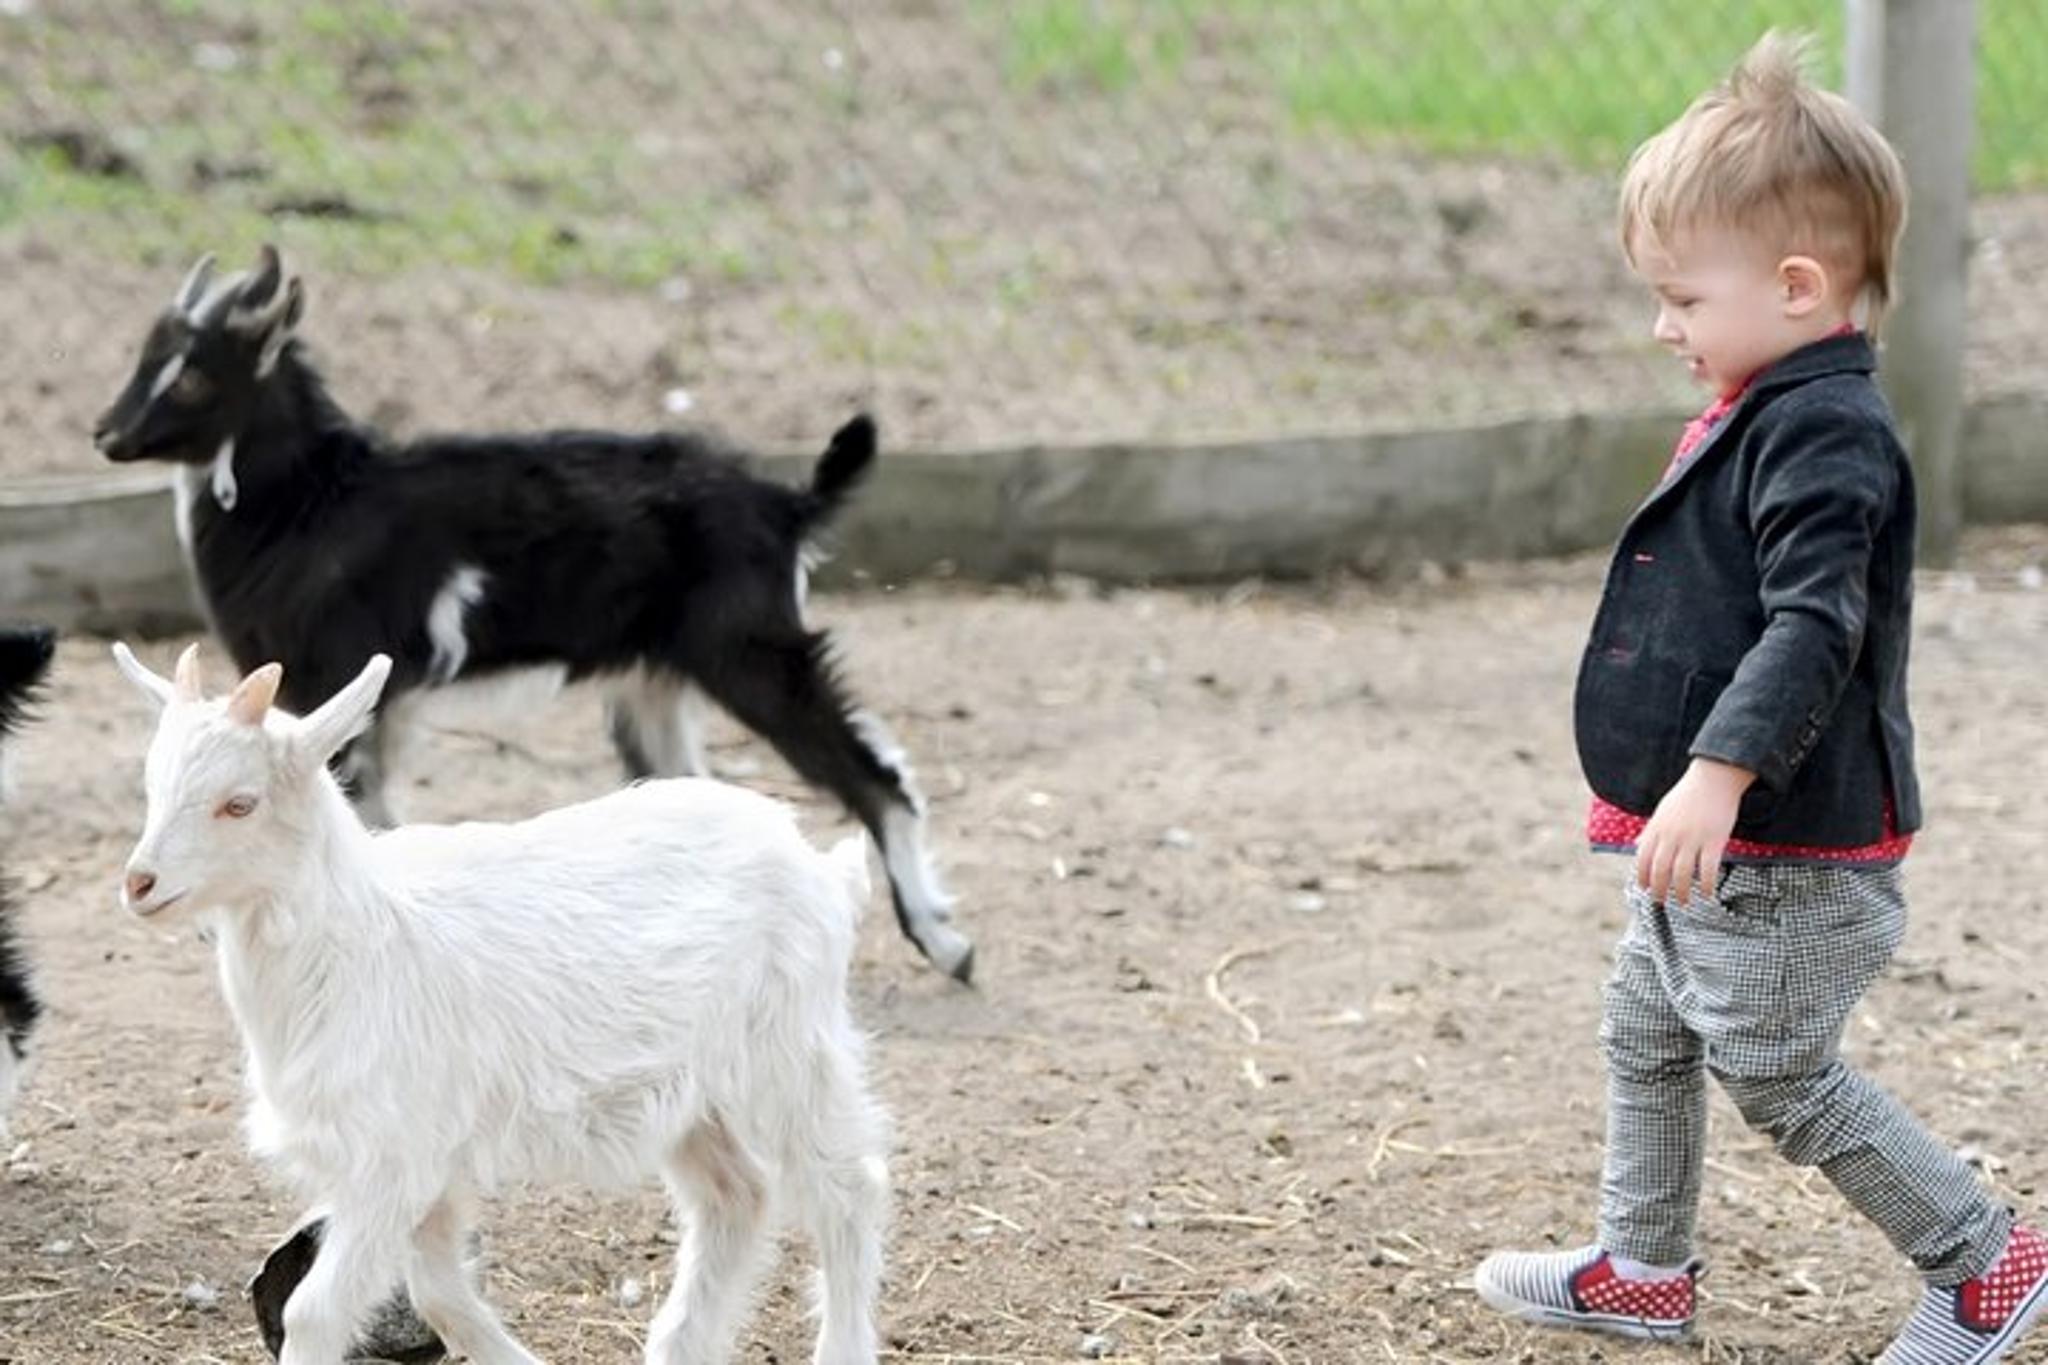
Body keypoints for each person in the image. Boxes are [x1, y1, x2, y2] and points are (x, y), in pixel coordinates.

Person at [1472, 32, 2045, 1365]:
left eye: (1679, 296)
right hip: (1718, 838)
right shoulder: (1765, 400)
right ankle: (1644, 1268)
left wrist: (1716, 773)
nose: (1661, 325)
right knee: (1646, 1022)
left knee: (1777, 1069)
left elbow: (1816, 625)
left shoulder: (1828, 430)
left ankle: (1984, 1261)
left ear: (1795, 286)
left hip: (1787, 842)